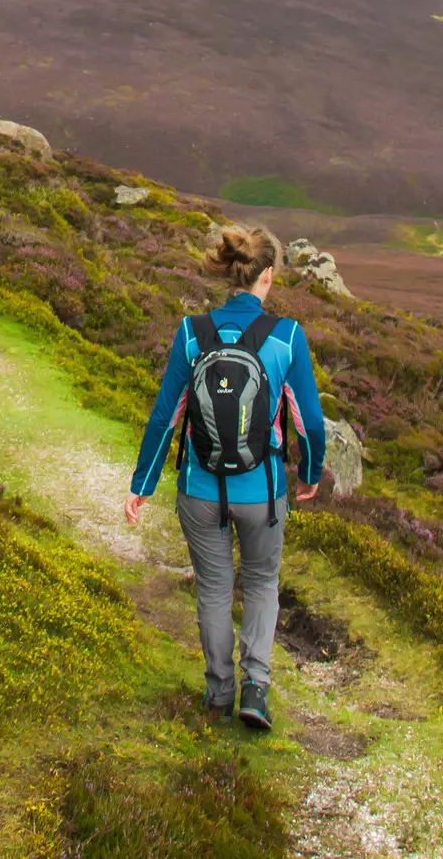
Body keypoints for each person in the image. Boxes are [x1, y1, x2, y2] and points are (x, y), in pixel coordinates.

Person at [123, 225, 326, 731]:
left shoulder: (193, 332)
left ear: (229, 272)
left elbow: (165, 415)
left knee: (213, 588)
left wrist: (142, 484)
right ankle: (255, 688)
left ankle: (218, 693)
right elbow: (310, 422)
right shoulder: (287, 336)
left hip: (199, 488)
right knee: (261, 583)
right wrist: (313, 472)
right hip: (264, 492)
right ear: (268, 277)